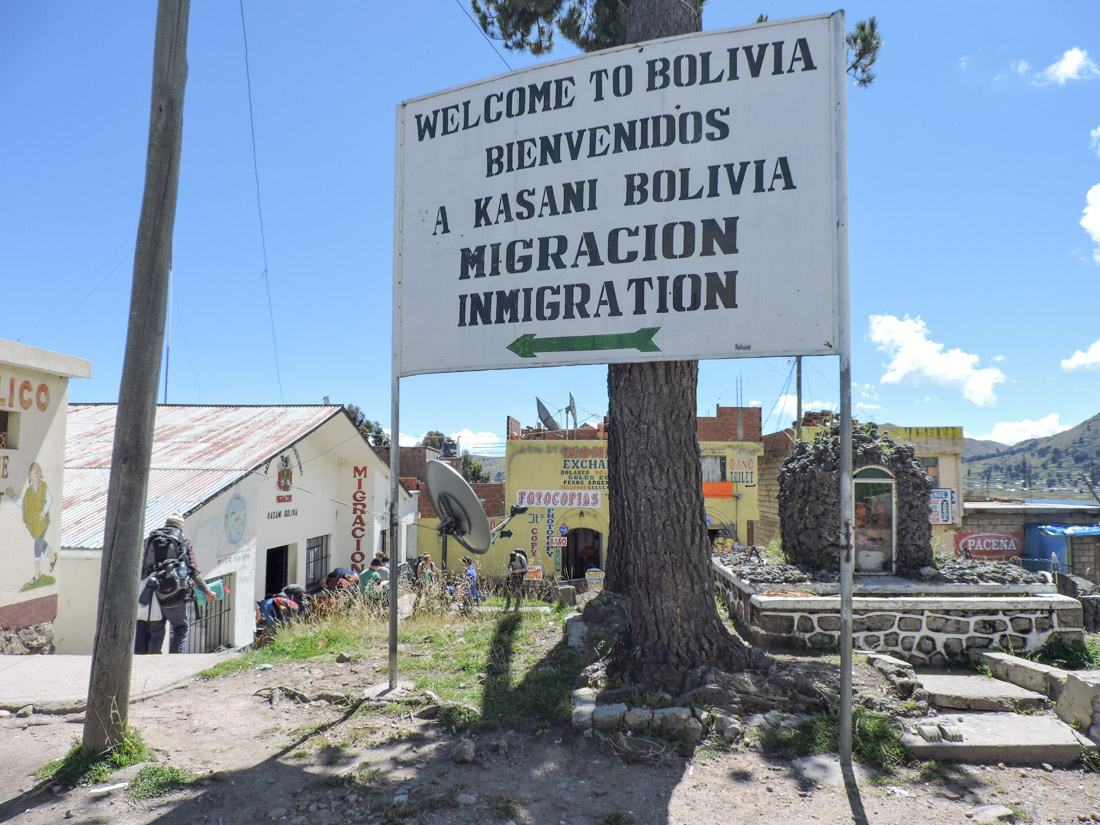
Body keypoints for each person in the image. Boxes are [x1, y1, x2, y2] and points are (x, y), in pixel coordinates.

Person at [136, 514, 217, 654]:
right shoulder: (183, 543)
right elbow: (192, 570)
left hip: (153, 593)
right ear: (181, 527)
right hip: (174, 594)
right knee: (181, 627)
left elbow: (143, 568)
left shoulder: (151, 540)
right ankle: (174, 656)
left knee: (156, 630)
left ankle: (152, 660)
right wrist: (207, 591)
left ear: (166, 525)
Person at [5, 462, 57, 587]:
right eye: (31, 474)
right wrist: (13, 497)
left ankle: (36, 575)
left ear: (38, 474)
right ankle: (53, 557)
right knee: (41, 543)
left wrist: (44, 511)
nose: (33, 476)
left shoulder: (44, 487)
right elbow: (24, 505)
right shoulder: (29, 491)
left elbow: (50, 500)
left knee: (37, 544)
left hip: (42, 522)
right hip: (34, 523)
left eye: (34, 473)